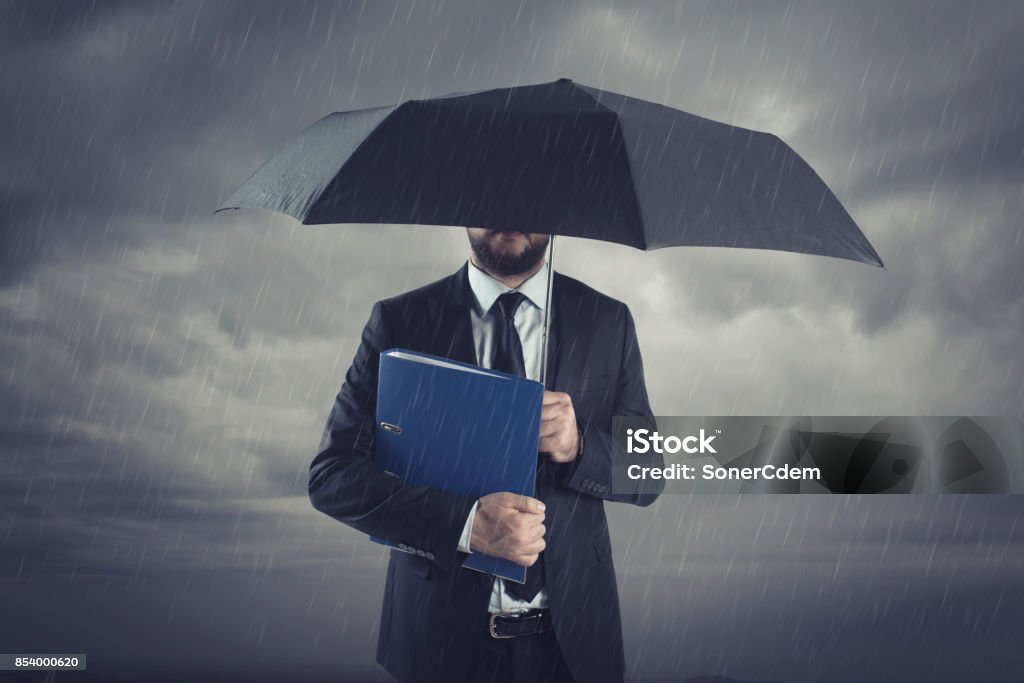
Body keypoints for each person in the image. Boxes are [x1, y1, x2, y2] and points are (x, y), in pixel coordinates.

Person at [309, 229, 664, 683]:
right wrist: (466, 525)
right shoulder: (400, 321)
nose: (510, 213)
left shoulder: (608, 320)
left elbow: (650, 471)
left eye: (528, 197)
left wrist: (581, 446)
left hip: (575, 648)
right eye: (494, 192)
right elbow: (332, 476)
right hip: (439, 645)